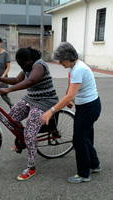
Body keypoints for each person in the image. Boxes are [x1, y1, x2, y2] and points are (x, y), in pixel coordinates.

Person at [0, 47, 59, 181]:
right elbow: (17, 80)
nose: (22, 67)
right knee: (11, 117)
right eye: (20, 65)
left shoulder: (39, 65)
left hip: (45, 101)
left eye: (23, 64)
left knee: (29, 133)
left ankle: (31, 167)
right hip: (31, 98)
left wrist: (8, 90)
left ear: (29, 60)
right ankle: (24, 140)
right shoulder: (27, 67)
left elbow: (31, 81)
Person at [41, 42, 102, 184]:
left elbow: (68, 95)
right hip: (85, 106)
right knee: (84, 137)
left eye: (61, 60)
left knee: (79, 140)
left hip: (89, 107)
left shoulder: (78, 69)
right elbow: (71, 87)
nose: (60, 63)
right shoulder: (75, 67)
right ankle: (94, 164)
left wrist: (51, 112)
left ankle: (84, 174)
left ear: (68, 58)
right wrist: (72, 98)